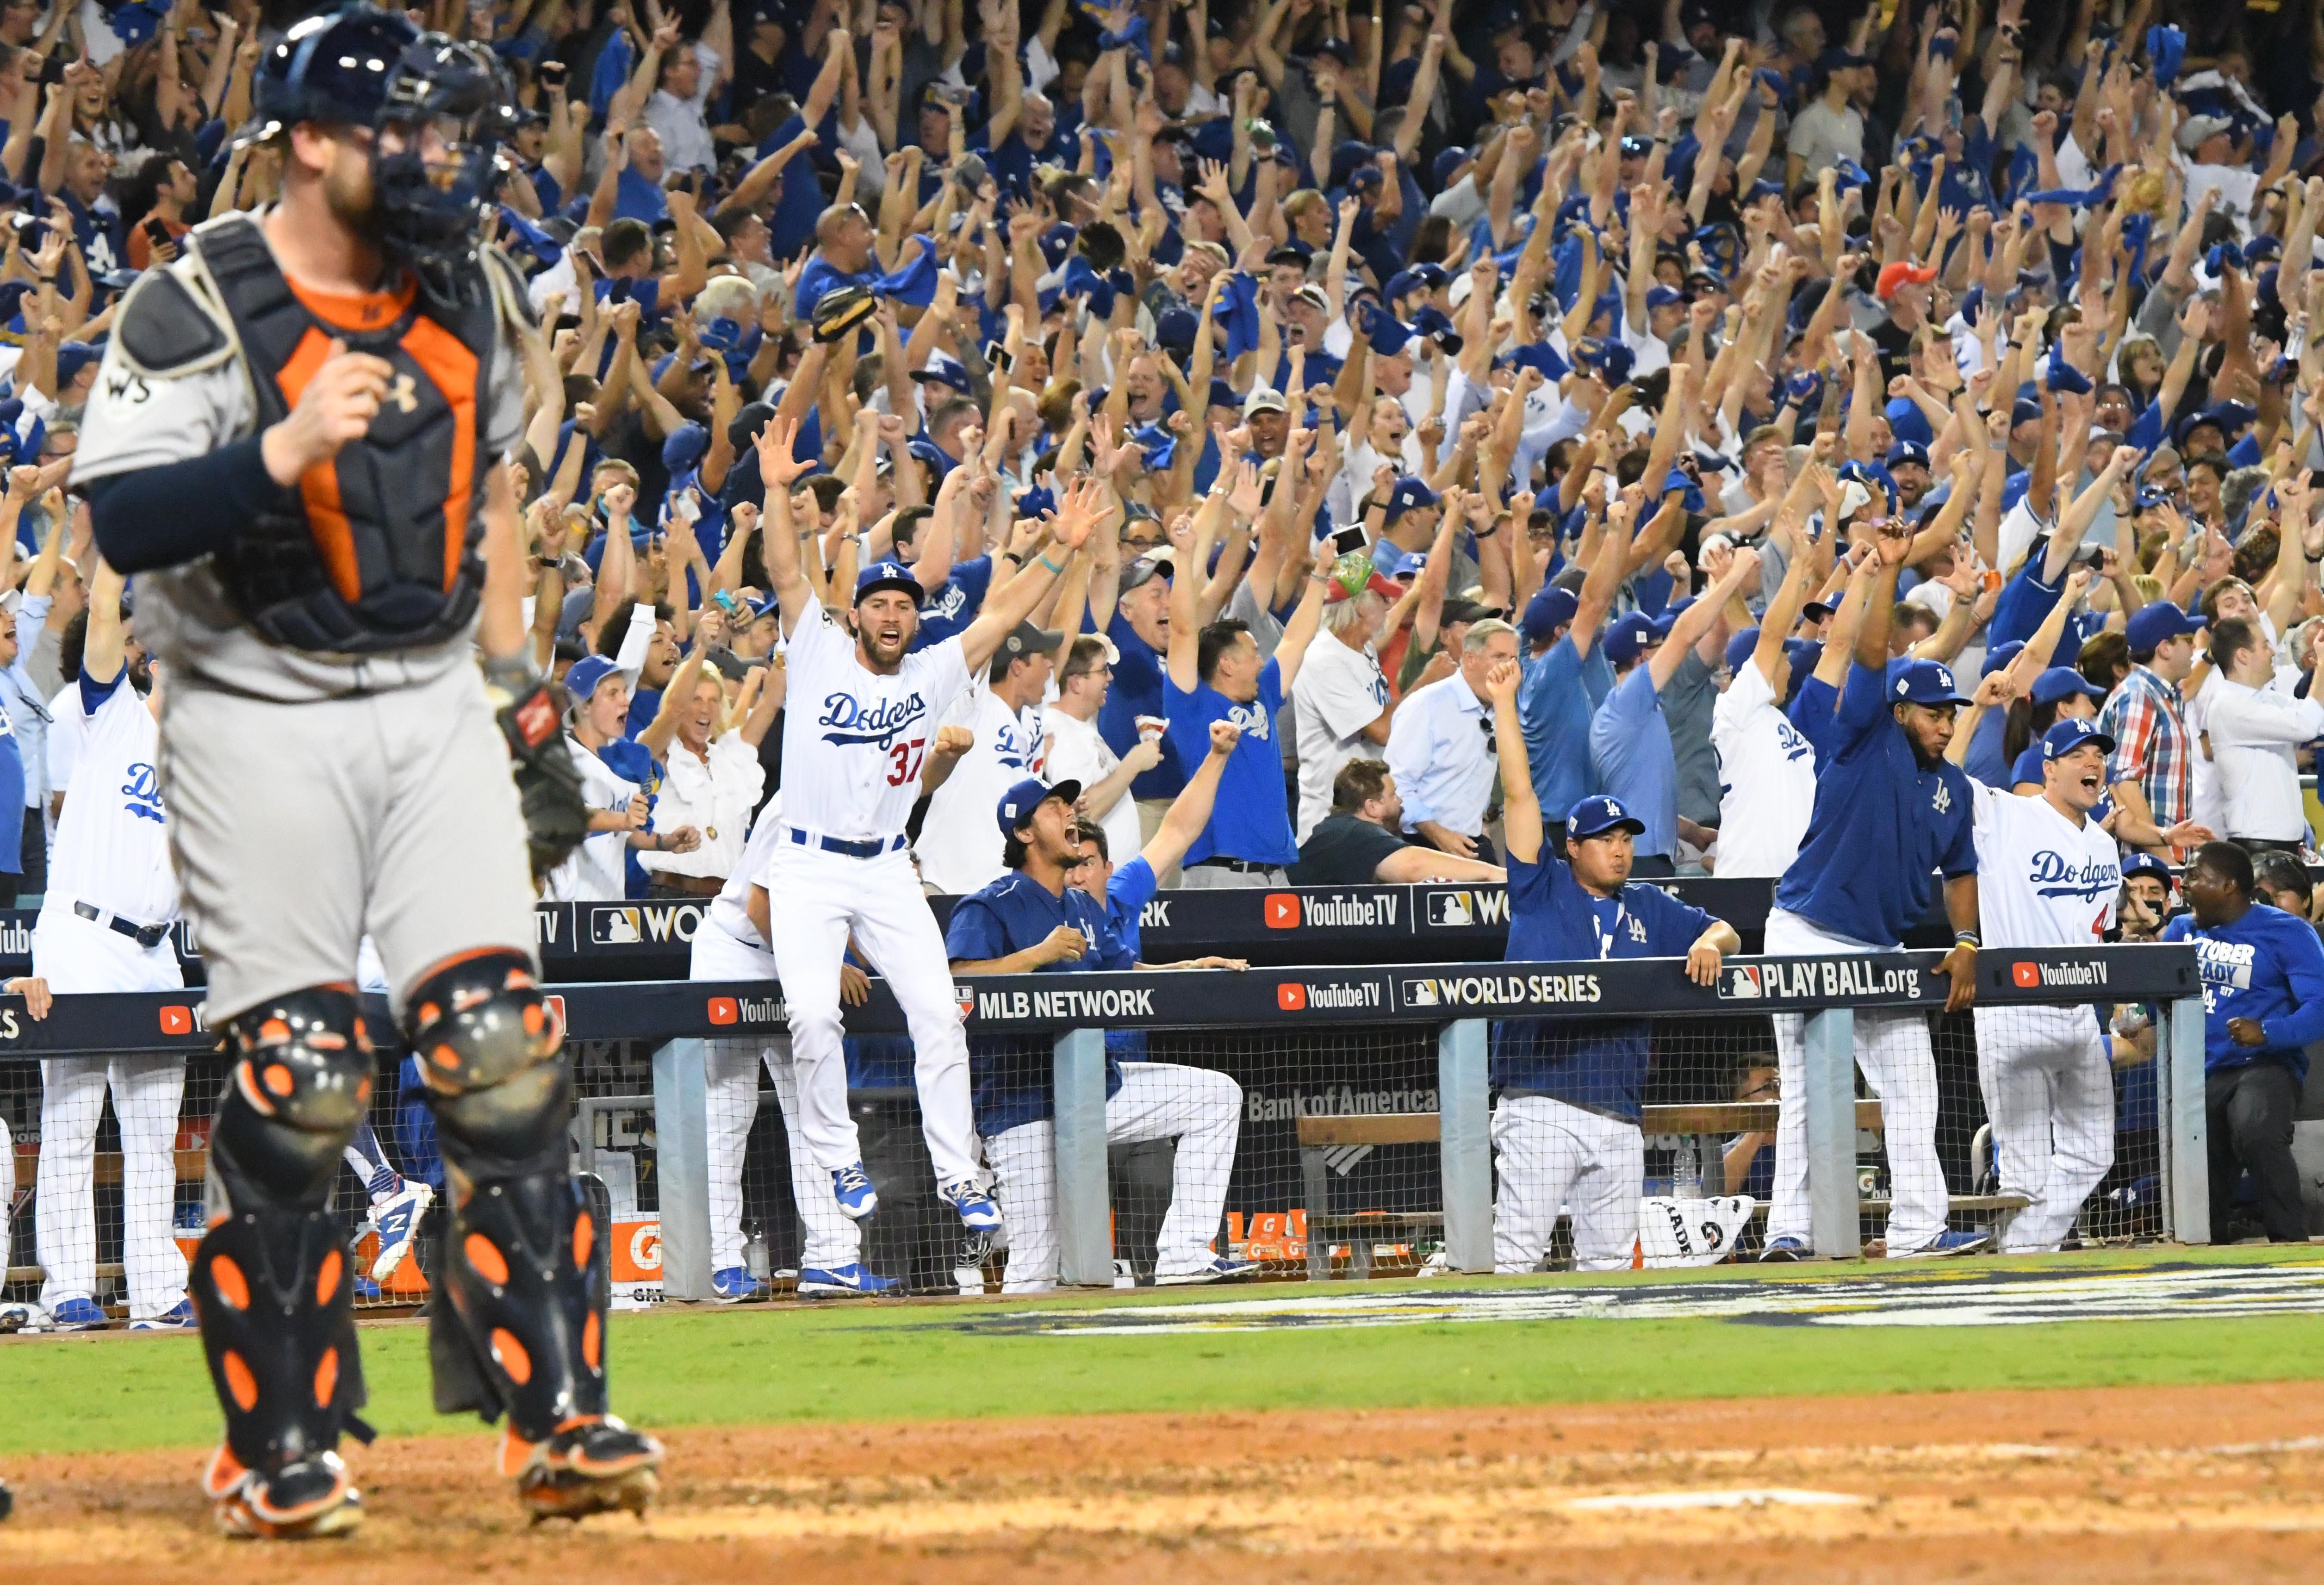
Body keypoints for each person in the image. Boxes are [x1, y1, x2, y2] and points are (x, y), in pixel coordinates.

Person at [74, 8, 654, 1531]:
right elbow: (122, 524)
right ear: (311, 143)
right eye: (407, 131)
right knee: (310, 1071)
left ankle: (558, 1417)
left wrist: (518, 683)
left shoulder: (469, 286)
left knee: (501, 1045)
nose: (439, 159)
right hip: (250, 701)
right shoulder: (194, 302)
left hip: (429, 694)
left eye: (448, 132)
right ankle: (275, 1443)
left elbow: (499, 497)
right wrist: (274, 451)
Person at [750, 413, 1104, 1244]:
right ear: (857, 613)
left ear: (914, 618)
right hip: (802, 868)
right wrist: (773, 492)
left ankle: (960, 1174)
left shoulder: (937, 667)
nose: (889, 615)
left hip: (884, 869)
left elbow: (1006, 608)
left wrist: (1063, 547)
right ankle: (839, 1157)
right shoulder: (818, 651)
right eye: (876, 603)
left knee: (941, 1015)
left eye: (902, 605)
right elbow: (781, 566)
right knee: (810, 1016)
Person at [1760, 521, 1985, 1262]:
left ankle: (1918, 1230)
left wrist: (1964, 941)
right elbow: (1871, 651)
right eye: (1931, 712)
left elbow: (1960, 871)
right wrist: (1886, 572)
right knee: (1807, 1088)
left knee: (1913, 1083)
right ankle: (1787, 1232)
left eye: (1950, 712)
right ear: (1899, 713)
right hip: (1807, 929)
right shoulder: (1864, 732)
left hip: (1881, 946)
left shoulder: (1953, 785)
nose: (1943, 722)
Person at [946, 760, 1255, 1293]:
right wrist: (1036, 955)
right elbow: (957, 980)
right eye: (1052, 808)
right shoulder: (990, 905)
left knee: (1215, 1095)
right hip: (1023, 1107)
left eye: (1068, 804)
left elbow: (1121, 972)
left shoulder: (1083, 908)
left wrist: (1185, 969)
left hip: (1096, 1089)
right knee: (1037, 1271)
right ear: (1024, 833)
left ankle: (1183, 1254)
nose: (1068, 812)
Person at [1477, 656, 1740, 1272]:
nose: (1619, 849)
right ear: (1572, 847)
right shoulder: (1541, 889)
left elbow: (1724, 930)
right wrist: (1505, 705)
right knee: (1516, 1254)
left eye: (1625, 838)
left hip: (1619, 1108)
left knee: (1611, 1266)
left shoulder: (1650, 903)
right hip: (1540, 1098)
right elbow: (1519, 793)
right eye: (1604, 839)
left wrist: (1710, 944)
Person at [27, 560, 186, 1332]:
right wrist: (117, 546)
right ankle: (69, 1290)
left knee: (153, 1130)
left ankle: (157, 1290)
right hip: (83, 936)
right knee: (73, 1121)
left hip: (156, 953)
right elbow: (98, 614)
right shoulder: (107, 712)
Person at [692, 784, 904, 1303]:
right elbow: (762, 905)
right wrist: (829, 965)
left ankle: (832, 1258)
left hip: (795, 957)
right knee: (728, 1117)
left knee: (817, 1111)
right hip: (737, 952)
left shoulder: (868, 810)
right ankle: (719, 1262)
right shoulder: (795, 803)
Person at [1957, 715, 2127, 1253]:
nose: (2093, 763)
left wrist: (2123, 1012)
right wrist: (1979, 705)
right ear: (2049, 769)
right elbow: (1943, 771)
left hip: (2079, 1014)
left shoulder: (2104, 846)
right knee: (2026, 1165)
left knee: (2095, 1151)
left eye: (2099, 754)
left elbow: (2105, 937)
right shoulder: (2008, 814)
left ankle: (2021, 1255)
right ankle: (2026, 1267)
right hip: (2014, 1006)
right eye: (2079, 754)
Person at [1162, 491, 1330, 887]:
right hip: (1220, 872)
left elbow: (1295, 641)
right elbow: (1185, 631)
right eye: (1253, 654)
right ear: (1226, 663)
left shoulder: (1264, 696)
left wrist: (1321, 574)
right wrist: (1184, 558)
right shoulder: (1191, 705)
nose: (1261, 662)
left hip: (1276, 873)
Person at [2166, 841, 2324, 1243]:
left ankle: (2291, 1243)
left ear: (2228, 885)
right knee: (2205, 1169)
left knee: (2255, 1127)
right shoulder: (2180, 930)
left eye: (2196, 876)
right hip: (2198, 1069)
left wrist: (2268, 1032)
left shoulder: (2288, 932)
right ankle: (2209, 1258)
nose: (2185, 884)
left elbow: (2320, 1006)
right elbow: (2158, 1002)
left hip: (2264, 1063)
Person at [1589, 547, 1762, 876]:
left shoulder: (1629, 710)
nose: (1667, 653)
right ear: (1642, 657)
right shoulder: (1629, 700)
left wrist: (1691, 832)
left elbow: (1641, 797)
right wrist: (1734, 576)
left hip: (1643, 855)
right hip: (1641, 861)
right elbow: (1685, 635)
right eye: (1658, 646)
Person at [915, 621, 1061, 895]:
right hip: (948, 881)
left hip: (1001, 887)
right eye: (1044, 659)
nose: (1052, 667)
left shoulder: (1033, 723)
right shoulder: (973, 705)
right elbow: (993, 623)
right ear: (1018, 665)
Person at [1385, 617, 1521, 861]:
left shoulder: (1502, 705)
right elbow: (1397, 783)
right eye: (1499, 657)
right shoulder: (1427, 705)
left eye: (1513, 659)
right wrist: (1438, 834)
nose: (1508, 668)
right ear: (1470, 659)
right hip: (1422, 842)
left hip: (1472, 840)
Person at [1291, 557, 1395, 842]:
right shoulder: (1324, 659)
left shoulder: (1364, 650)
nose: (1389, 606)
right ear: (1360, 606)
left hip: (1364, 817)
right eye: (1383, 598)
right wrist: (1426, 682)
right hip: (1330, 824)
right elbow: (1381, 731)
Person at [2200, 615, 2324, 855]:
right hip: (2258, 846)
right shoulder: (2229, 706)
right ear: (2243, 656)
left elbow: (2317, 721)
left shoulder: (2266, 699)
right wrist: (2321, 666)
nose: (2273, 653)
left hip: (2282, 845)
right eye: (2265, 645)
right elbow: (2305, 725)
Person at [1043, 634, 1163, 869]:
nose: (1110, 677)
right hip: (1091, 881)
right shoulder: (1057, 729)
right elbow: (1084, 813)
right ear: (1076, 682)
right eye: (1103, 670)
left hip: (1110, 877)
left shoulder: (1083, 726)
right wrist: (1133, 765)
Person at [2100, 600, 2206, 859]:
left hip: (2158, 855)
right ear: (2165, 648)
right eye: (2187, 639)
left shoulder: (2159, 694)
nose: (2194, 646)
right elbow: (2124, 782)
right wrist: (2165, 860)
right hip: (2144, 865)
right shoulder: (2139, 697)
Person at [1292, 758, 1510, 884]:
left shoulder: (1338, 831)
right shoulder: (1353, 833)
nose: (1401, 801)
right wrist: (1492, 873)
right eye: (1393, 796)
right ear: (1372, 807)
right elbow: (1412, 864)